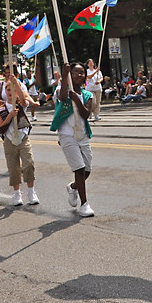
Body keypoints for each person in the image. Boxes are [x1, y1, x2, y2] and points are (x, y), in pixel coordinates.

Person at [52, 62, 96, 217]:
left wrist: (77, 100)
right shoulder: (61, 89)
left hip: (82, 135)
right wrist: (64, 77)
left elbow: (86, 115)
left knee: (87, 170)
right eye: (76, 72)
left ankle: (73, 187)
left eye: (82, 72)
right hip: (67, 135)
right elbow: (63, 97)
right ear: (70, 75)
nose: (80, 75)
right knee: (79, 168)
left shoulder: (87, 95)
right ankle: (84, 204)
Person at [0, 68, 39, 206]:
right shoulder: (2, 108)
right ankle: (16, 193)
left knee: (28, 163)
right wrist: (10, 116)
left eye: (14, 89)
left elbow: (25, 100)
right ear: (5, 92)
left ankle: (31, 192)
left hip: (23, 136)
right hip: (9, 139)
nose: (11, 92)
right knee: (13, 167)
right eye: (8, 90)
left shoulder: (21, 105)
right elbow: (1, 126)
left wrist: (16, 83)